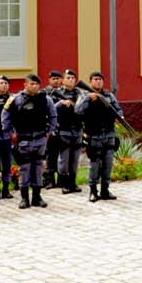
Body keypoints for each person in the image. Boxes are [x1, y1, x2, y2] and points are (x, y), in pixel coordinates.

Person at [4, 74, 57, 209]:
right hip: (23, 139)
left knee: (38, 168)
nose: (34, 86)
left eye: (37, 84)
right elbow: (5, 117)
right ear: (25, 84)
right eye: (32, 84)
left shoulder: (46, 99)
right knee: (25, 168)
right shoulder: (15, 99)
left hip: (40, 138)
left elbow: (53, 116)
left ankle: (37, 197)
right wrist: (11, 133)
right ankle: (24, 198)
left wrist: (49, 132)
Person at [79, 71, 124, 202]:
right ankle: (93, 191)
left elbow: (118, 109)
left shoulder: (108, 95)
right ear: (90, 81)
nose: (98, 81)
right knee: (94, 165)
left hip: (109, 134)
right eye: (95, 79)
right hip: (94, 135)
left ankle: (105, 190)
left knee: (108, 164)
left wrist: (120, 116)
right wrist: (88, 99)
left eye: (100, 79)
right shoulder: (84, 95)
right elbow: (78, 110)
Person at [51, 70, 87, 194]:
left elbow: (84, 109)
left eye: (72, 77)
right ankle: (64, 184)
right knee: (64, 159)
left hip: (77, 129)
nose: (71, 80)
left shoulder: (80, 93)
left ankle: (73, 183)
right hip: (63, 130)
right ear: (63, 80)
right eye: (68, 77)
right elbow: (50, 110)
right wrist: (61, 103)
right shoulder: (57, 93)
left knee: (75, 159)